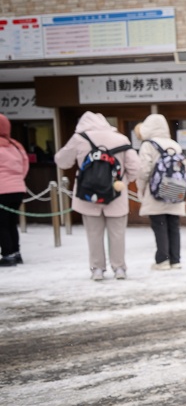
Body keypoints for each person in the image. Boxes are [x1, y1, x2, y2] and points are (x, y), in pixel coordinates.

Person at [54, 111, 140, 281]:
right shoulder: (121, 139)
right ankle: (119, 268)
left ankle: (97, 269)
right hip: (115, 193)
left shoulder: (79, 138)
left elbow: (62, 161)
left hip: (88, 194)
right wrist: (122, 181)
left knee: (93, 234)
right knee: (117, 233)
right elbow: (135, 167)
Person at [135, 113, 186, 270]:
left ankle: (162, 260)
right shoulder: (174, 145)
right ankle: (175, 260)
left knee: (159, 225)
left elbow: (144, 170)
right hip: (175, 190)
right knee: (174, 226)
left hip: (155, 192)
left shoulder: (148, 145)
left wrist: (141, 188)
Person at [0, 114, 29, 267]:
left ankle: (7, 255)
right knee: (11, 222)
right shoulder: (16, 145)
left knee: (2, 224)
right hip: (18, 189)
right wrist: (16, 181)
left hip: (2, 190)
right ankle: (16, 253)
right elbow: (25, 166)